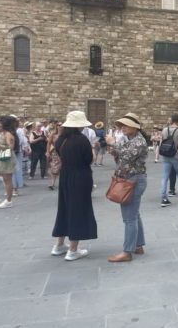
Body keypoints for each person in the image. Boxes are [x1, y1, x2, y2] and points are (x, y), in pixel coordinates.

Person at [51, 111, 97, 261]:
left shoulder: (61, 139)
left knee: (64, 208)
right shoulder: (81, 140)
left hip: (65, 175)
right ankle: (73, 249)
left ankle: (58, 245)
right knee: (78, 209)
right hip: (80, 175)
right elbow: (89, 159)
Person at [105, 113, 148, 262]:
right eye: (120, 125)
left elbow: (128, 156)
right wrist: (115, 152)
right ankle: (137, 245)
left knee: (129, 218)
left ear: (135, 127)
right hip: (132, 179)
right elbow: (124, 158)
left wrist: (113, 143)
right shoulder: (132, 140)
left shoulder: (139, 141)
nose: (122, 128)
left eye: (125, 125)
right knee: (134, 215)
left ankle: (127, 251)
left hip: (132, 181)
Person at [46, 122, 63, 190]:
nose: (60, 127)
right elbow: (49, 144)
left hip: (63, 153)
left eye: (62, 125)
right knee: (54, 168)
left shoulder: (65, 135)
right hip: (55, 153)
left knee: (63, 168)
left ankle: (63, 183)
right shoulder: (53, 134)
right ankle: (52, 184)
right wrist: (47, 152)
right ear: (57, 126)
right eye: (59, 125)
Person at [11, 117, 25, 197]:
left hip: (14, 151)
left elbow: (21, 140)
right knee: (16, 169)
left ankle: (14, 188)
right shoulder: (19, 130)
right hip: (17, 150)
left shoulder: (16, 130)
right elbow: (22, 141)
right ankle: (15, 188)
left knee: (13, 170)